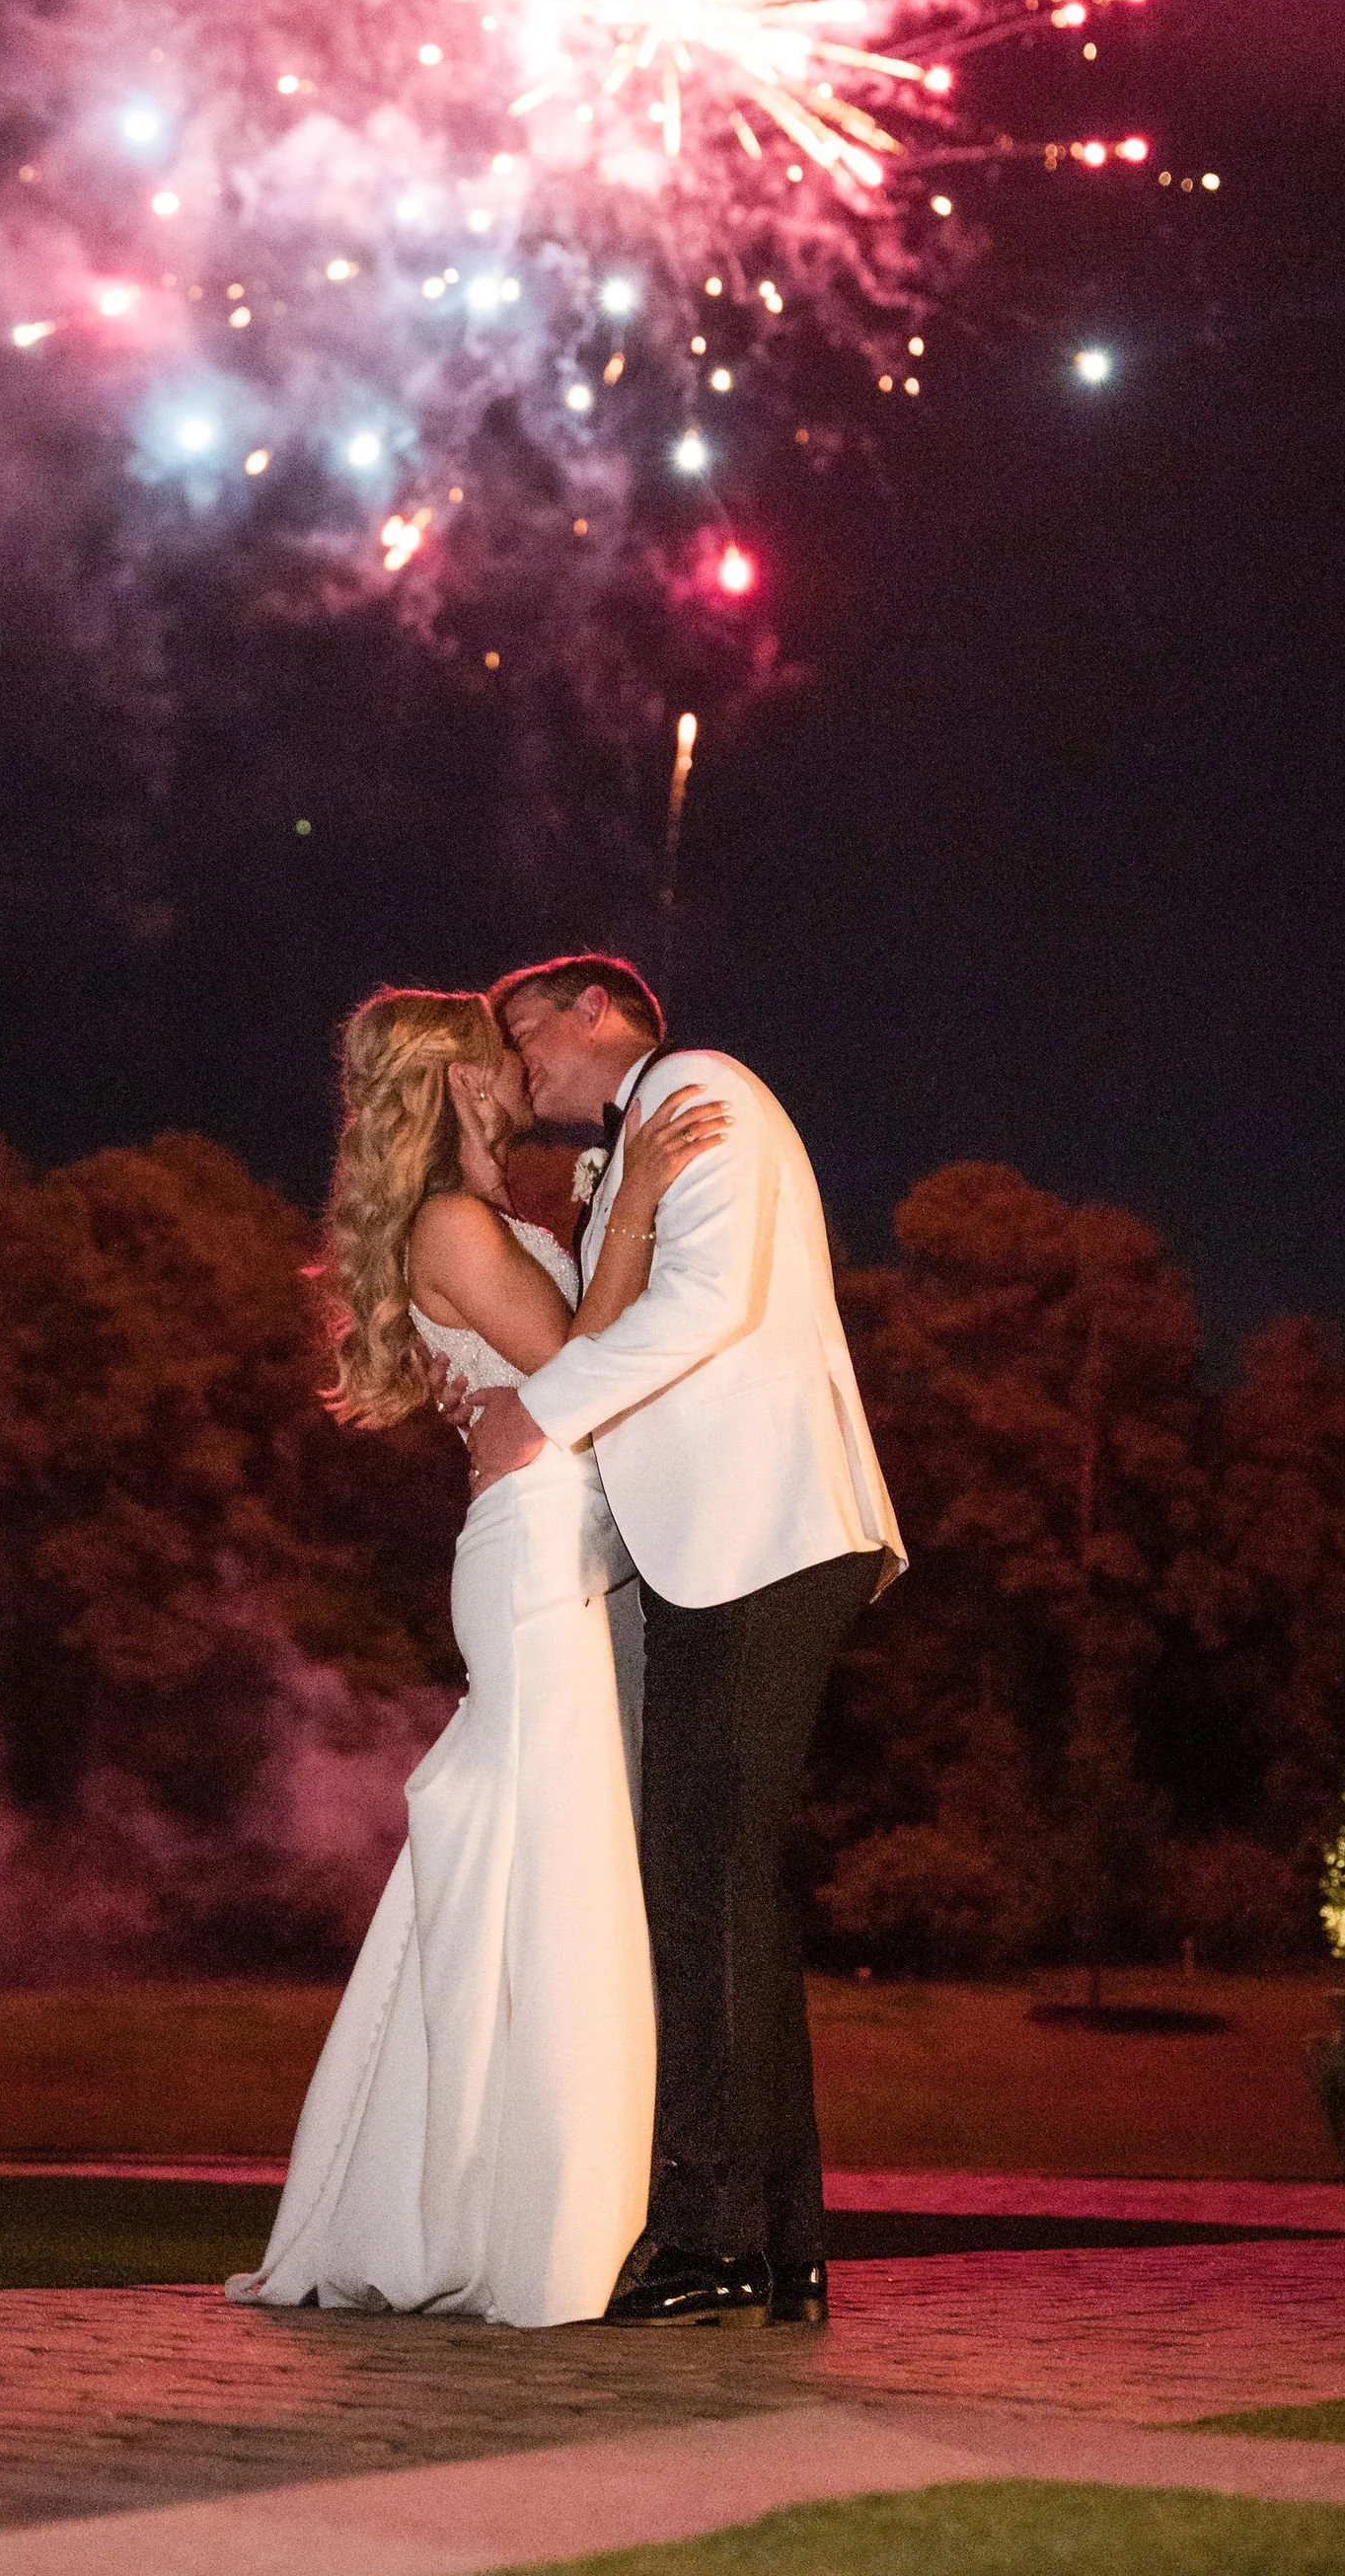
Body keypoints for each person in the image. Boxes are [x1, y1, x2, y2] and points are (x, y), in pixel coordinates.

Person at [226, 985, 731, 2327]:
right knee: (550, 1871)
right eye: (501, 1060)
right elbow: (576, 1358)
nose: (522, 1074)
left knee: (525, 1868)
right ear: (457, 1084)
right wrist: (628, 1210)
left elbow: (566, 1365)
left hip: (563, 1546)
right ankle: (540, 2227)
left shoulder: (483, 1221)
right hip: (532, 1557)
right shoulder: (452, 1225)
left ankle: (461, 2197)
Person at [457, 954, 907, 2330]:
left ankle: (713, 2234)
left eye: (522, 1028)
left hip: (760, 1538)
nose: (513, 1057)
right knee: (721, 1896)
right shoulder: (642, 1137)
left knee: (705, 1889)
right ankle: (772, 2239)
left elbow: (707, 1305)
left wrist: (543, 1410)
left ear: (598, 1012)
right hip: (718, 1552)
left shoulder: (703, 1088)